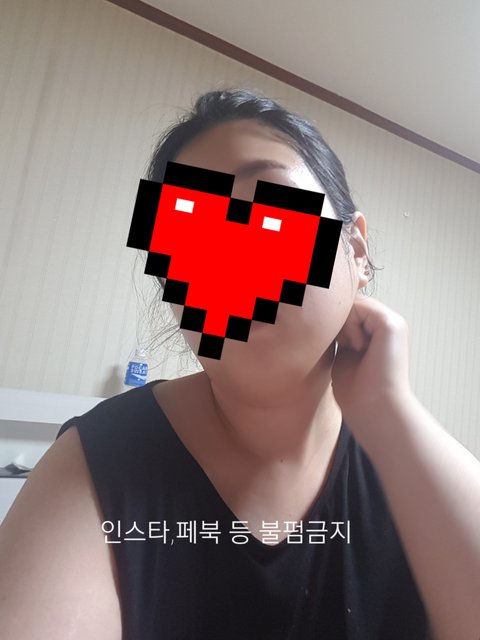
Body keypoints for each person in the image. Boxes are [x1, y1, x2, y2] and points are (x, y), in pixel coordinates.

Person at [1, 89, 479, 640]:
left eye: (272, 211)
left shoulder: (410, 469)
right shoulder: (97, 458)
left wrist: (390, 411)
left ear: (355, 250)